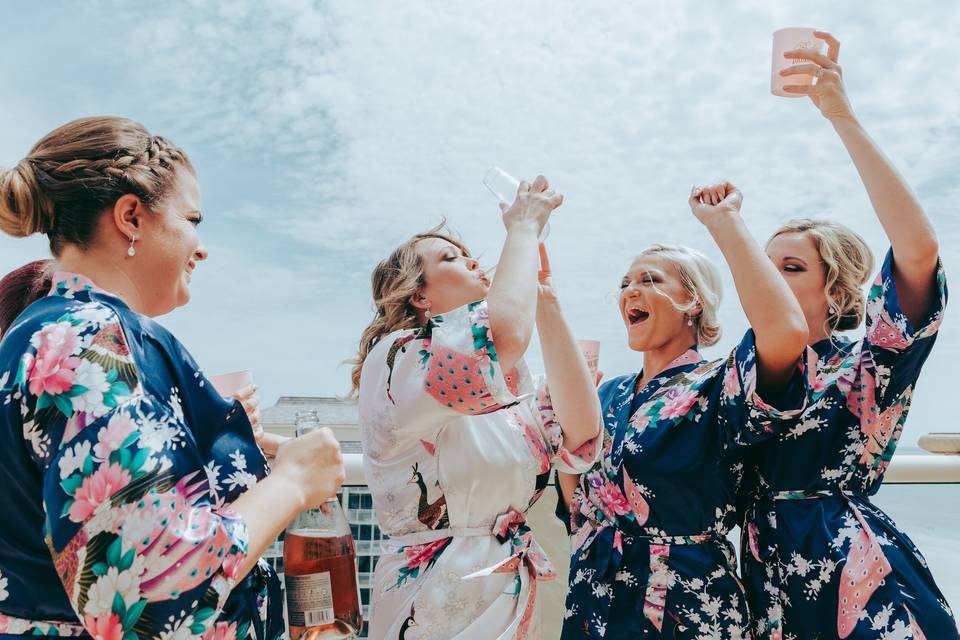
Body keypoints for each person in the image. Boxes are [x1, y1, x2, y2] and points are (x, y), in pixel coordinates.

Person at [0, 116, 345, 639]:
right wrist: (294, 482)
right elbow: (150, 601)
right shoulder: (90, 344)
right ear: (131, 217)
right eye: (193, 220)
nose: (201, 248)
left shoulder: (45, 333)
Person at [740, 31, 959, 639]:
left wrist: (841, 116)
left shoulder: (867, 367)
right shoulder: (736, 379)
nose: (770, 279)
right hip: (762, 591)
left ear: (837, 291)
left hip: (852, 580)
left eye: (791, 267)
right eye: (764, 266)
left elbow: (919, 251)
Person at [555, 182, 810, 638]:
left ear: (693, 301)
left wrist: (724, 223)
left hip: (686, 602)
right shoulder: (607, 392)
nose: (630, 291)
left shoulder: (720, 383)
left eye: (650, 280)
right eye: (625, 283)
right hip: (595, 593)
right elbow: (575, 496)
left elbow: (786, 332)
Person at [355, 176, 602, 639]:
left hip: (508, 587)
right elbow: (503, 333)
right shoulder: (400, 357)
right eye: (449, 257)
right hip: (435, 593)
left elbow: (580, 437)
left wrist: (544, 297)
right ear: (419, 295)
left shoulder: (511, 381)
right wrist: (524, 224)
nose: (471, 259)